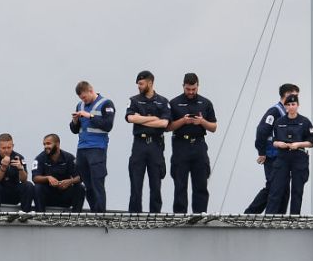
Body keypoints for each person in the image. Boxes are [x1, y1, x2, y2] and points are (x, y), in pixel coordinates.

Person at [167, 73, 218, 214]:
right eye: (188, 89)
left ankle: (200, 216)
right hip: (180, 145)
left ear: (197, 86)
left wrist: (202, 122)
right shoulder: (174, 103)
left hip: (199, 145)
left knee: (201, 184)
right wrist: (183, 121)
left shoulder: (206, 103)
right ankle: (179, 215)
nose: (191, 92)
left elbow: (213, 127)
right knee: (180, 184)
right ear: (183, 86)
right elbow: (167, 127)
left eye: (193, 89)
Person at [244, 83, 298, 214]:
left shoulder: (288, 114)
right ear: (286, 95)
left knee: (284, 189)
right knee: (274, 188)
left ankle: (279, 218)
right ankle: (250, 214)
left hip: (284, 158)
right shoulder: (275, 112)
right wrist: (262, 152)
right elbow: (261, 131)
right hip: (273, 157)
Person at [124, 70, 171, 213]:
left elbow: (164, 124)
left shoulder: (163, 101)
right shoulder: (134, 100)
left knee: (155, 185)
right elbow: (130, 118)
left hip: (156, 146)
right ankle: (134, 216)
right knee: (136, 184)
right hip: (139, 145)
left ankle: (155, 216)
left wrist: (141, 119)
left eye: (141, 83)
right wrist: (153, 119)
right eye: (138, 83)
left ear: (150, 83)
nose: (139, 86)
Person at [69, 80, 115, 212]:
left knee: (97, 183)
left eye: (84, 97)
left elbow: (108, 125)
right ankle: (94, 211)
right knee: (87, 184)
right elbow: (74, 130)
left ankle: (101, 214)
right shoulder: (80, 105)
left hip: (97, 148)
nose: (83, 100)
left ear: (91, 90)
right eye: (81, 98)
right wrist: (75, 121)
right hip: (82, 149)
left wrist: (90, 116)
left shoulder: (106, 103)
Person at [265, 93, 313, 214]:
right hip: (283, 157)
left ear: (298, 105)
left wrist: (298, 144)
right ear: (285, 106)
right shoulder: (279, 122)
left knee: (297, 190)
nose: (291, 107)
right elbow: (274, 141)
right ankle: (270, 217)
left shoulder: (305, 121)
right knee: (276, 189)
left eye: (294, 104)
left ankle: (294, 219)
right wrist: (279, 144)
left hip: (299, 157)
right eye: (289, 104)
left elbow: (311, 142)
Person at [32, 133, 85, 212]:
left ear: (57, 144)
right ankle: (40, 216)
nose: (46, 146)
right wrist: (48, 178)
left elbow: (80, 177)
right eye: (44, 144)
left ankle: (75, 217)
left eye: (48, 143)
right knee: (37, 187)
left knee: (80, 187)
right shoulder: (40, 158)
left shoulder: (69, 158)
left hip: (65, 196)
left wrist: (70, 181)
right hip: (48, 197)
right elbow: (35, 178)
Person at [0, 132, 35, 212]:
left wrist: (21, 169)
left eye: (9, 147)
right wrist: (3, 167)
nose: (6, 150)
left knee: (28, 185)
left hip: (14, 191)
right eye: (3, 148)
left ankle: (25, 214)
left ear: (13, 146)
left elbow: (24, 179)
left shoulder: (19, 157)